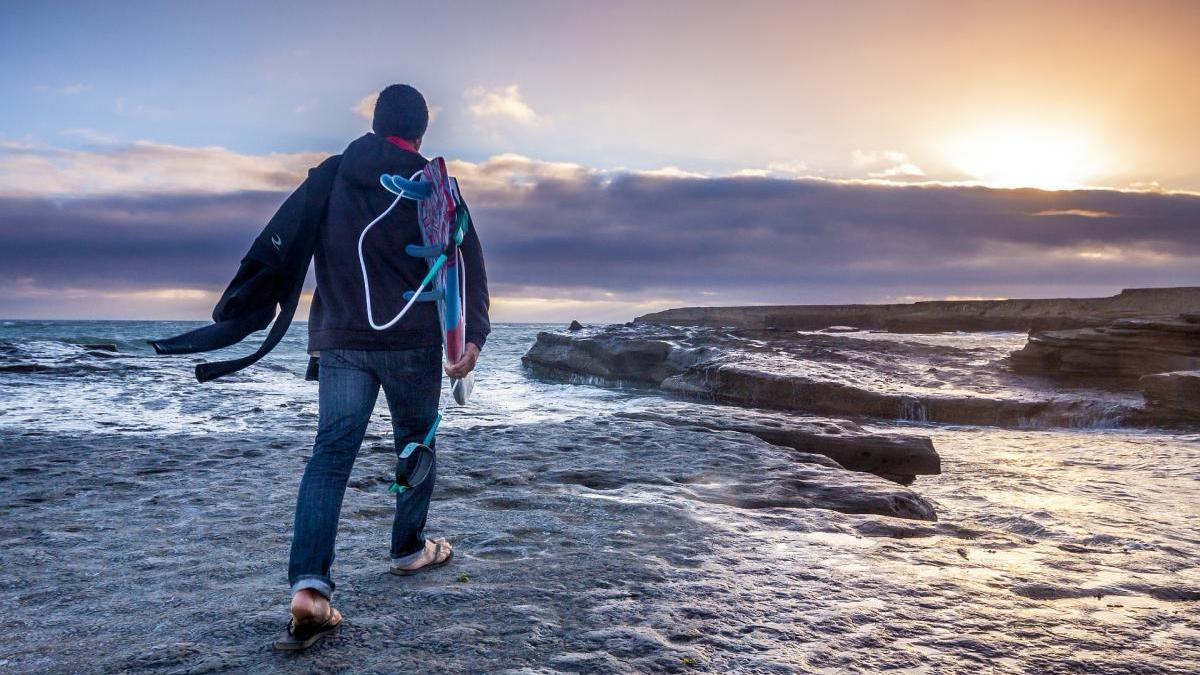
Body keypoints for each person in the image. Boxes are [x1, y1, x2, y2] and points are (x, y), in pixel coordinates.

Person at [279, 84, 490, 649]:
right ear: (421, 131)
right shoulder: (434, 183)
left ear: (375, 123)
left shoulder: (330, 175)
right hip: (413, 342)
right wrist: (473, 339)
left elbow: (291, 244)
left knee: (330, 455)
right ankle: (407, 549)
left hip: (341, 339)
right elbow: (468, 260)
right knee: (414, 444)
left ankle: (310, 590)